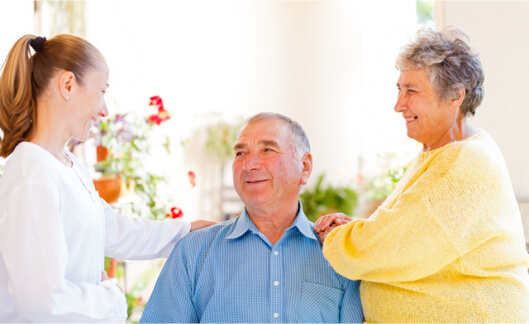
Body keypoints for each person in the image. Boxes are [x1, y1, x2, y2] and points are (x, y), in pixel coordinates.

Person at [314, 26, 529, 322]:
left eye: (411, 91)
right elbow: (404, 229)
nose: (398, 105)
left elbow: (387, 248)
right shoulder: (440, 152)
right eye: (399, 89)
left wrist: (334, 237)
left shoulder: (463, 164)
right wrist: (360, 230)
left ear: (455, 96)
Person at [0, 34, 215, 322]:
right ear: (67, 85)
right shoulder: (32, 172)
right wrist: (112, 298)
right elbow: (43, 303)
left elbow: (111, 229)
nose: (105, 110)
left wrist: (186, 232)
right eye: (102, 91)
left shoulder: (69, 165)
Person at [140, 112, 364, 323]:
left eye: (267, 150)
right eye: (241, 153)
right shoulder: (193, 252)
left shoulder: (338, 254)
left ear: (304, 167)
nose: (249, 164)